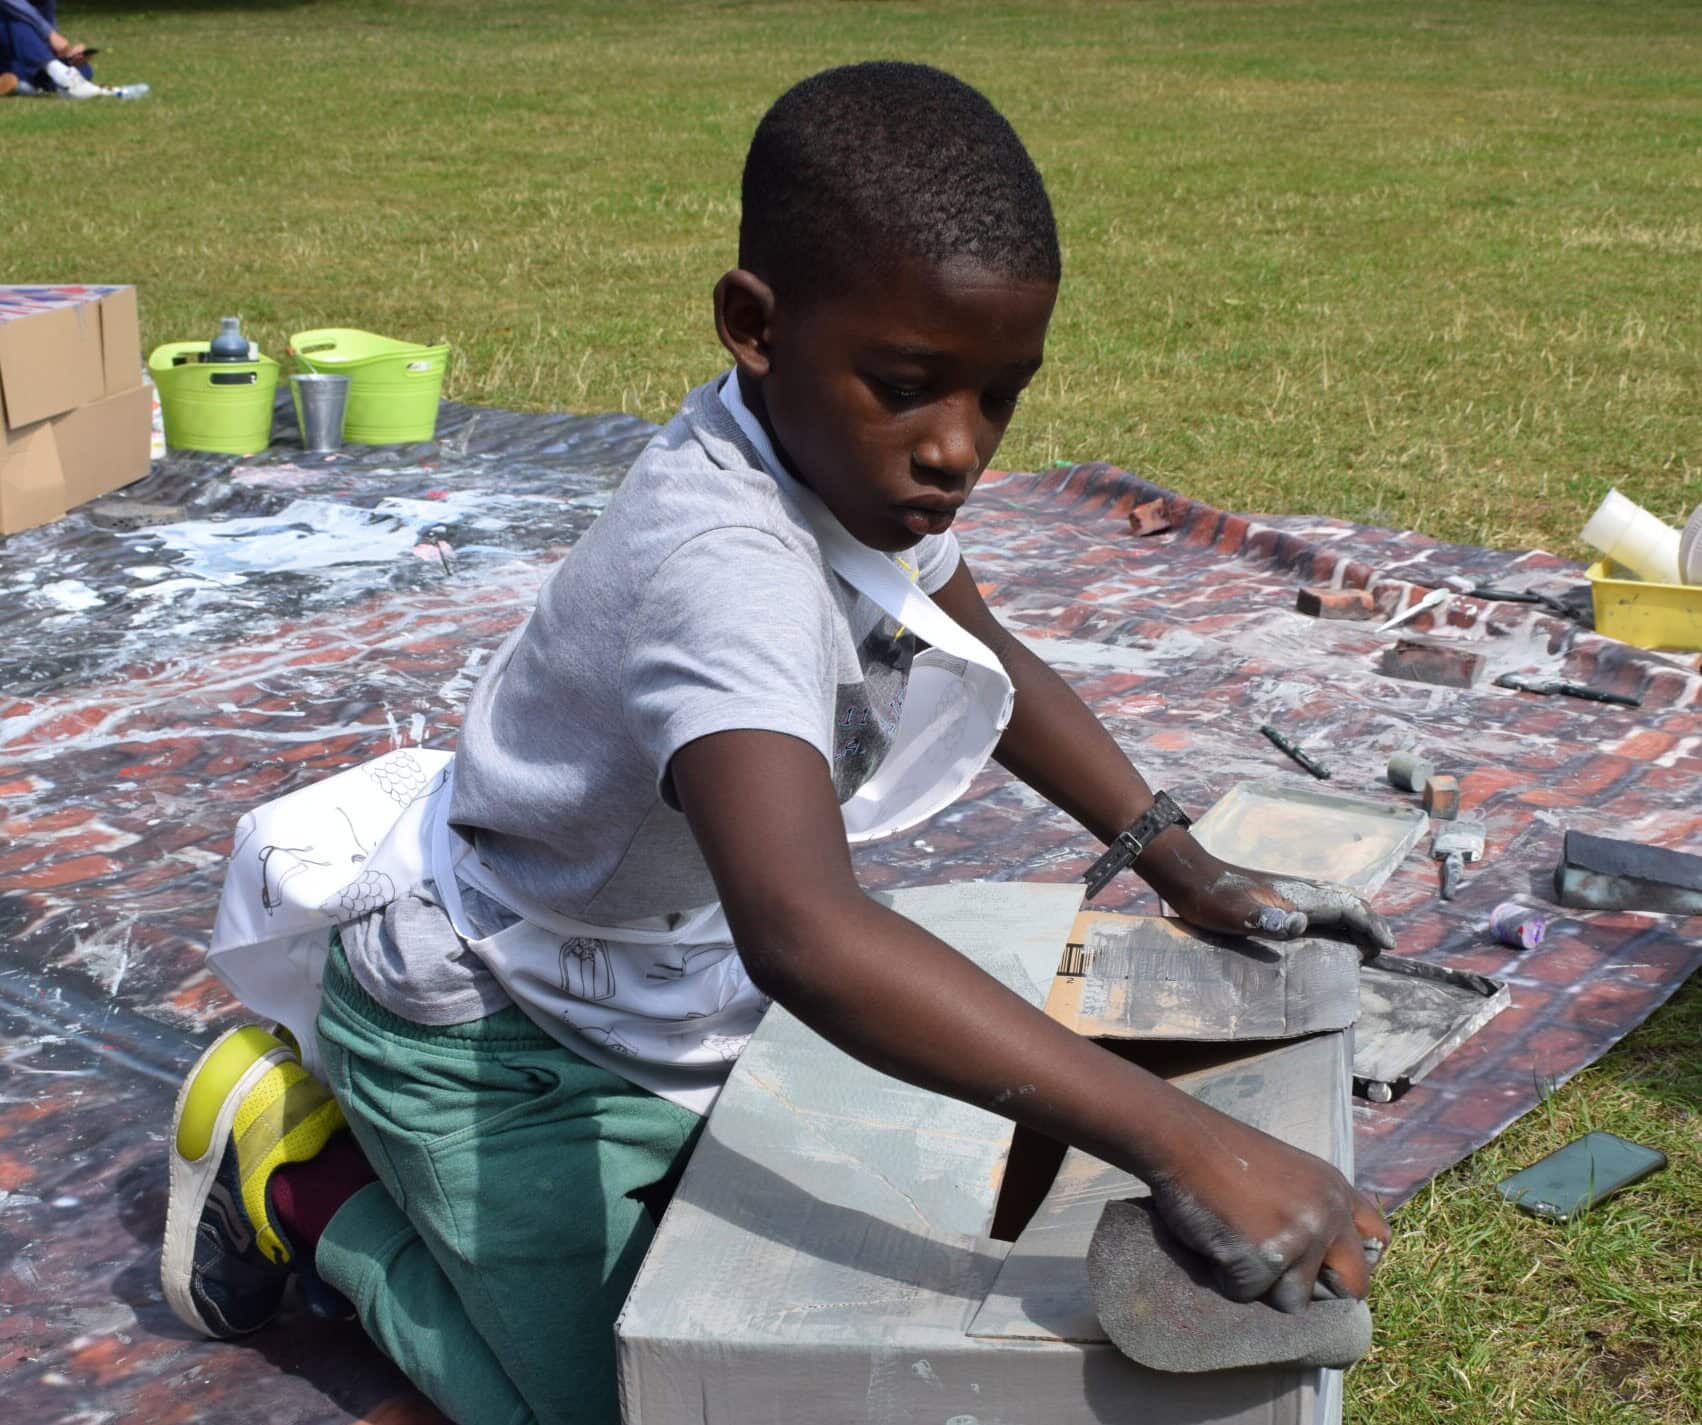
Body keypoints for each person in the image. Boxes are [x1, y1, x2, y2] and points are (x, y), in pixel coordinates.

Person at [160, 62, 1393, 1425]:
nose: (957, 450)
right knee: (630, 1402)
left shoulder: (838, 459)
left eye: (999, 396)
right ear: (753, 324)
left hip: (660, 979)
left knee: (764, 1325)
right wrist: (1181, 1138)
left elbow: (978, 647)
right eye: (913, 387)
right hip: (495, 1024)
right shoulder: (724, 567)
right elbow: (804, 930)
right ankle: (303, 1178)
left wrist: (1176, 860)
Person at [0, 1, 142, 98]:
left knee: (83, 69)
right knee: (15, 16)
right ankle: (61, 77)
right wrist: (49, 34)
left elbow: (45, 34)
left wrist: (67, 55)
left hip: (21, 52)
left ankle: (23, 85)